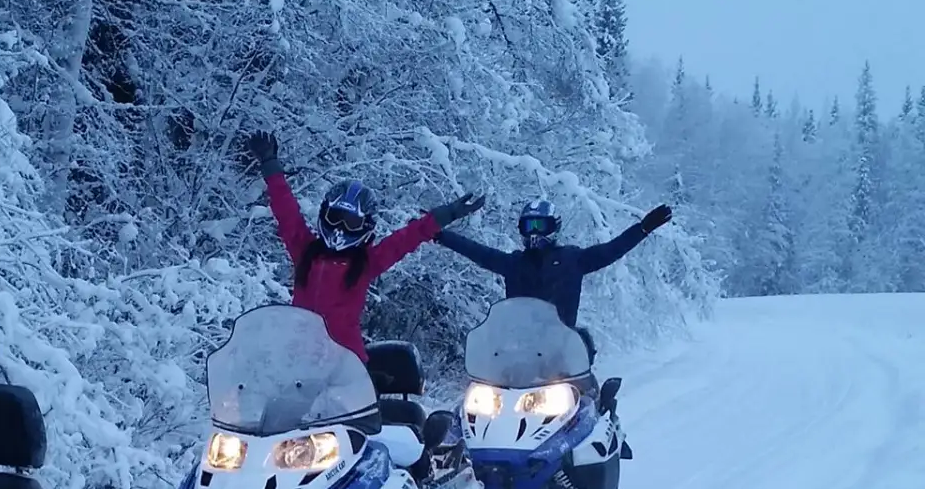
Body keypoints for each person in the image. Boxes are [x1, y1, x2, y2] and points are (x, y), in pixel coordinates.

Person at [244, 131, 484, 362]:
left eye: (351, 223)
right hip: (295, 358)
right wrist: (270, 164)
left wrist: (446, 214)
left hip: (345, 365)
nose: (340, 228)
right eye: (335, 218)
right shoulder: (304, 251)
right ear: (324, 215)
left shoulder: (367, 263)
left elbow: (405, 239)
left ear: (365, 226)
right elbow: (287, 212)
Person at [434, 198, 673, 362]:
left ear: (553, 227)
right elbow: (477, 251)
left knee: (583, 398)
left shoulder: (574, 259)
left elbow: (611, 250)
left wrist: (642, 229)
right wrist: (440, 235)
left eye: (540, 225)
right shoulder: (513, 263)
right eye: (528, 226)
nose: (534, 232)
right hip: (516, 352)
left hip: (562, 352)